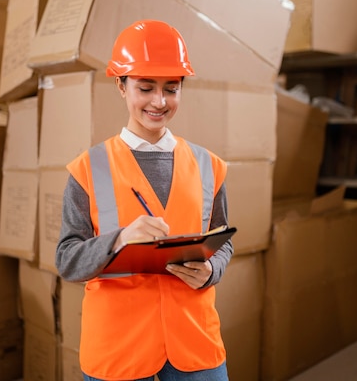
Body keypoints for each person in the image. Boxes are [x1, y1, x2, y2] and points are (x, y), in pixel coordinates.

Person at [55, 19, 234, 381]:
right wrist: (119, 239)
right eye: (145, 87)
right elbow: (67, 260)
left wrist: (211, 271)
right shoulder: (88, 169)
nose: (159, 101)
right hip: (119, 346)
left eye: (171, 88)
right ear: (121, 86)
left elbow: (223, 241)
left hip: (193, 338)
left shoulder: (208, 166)